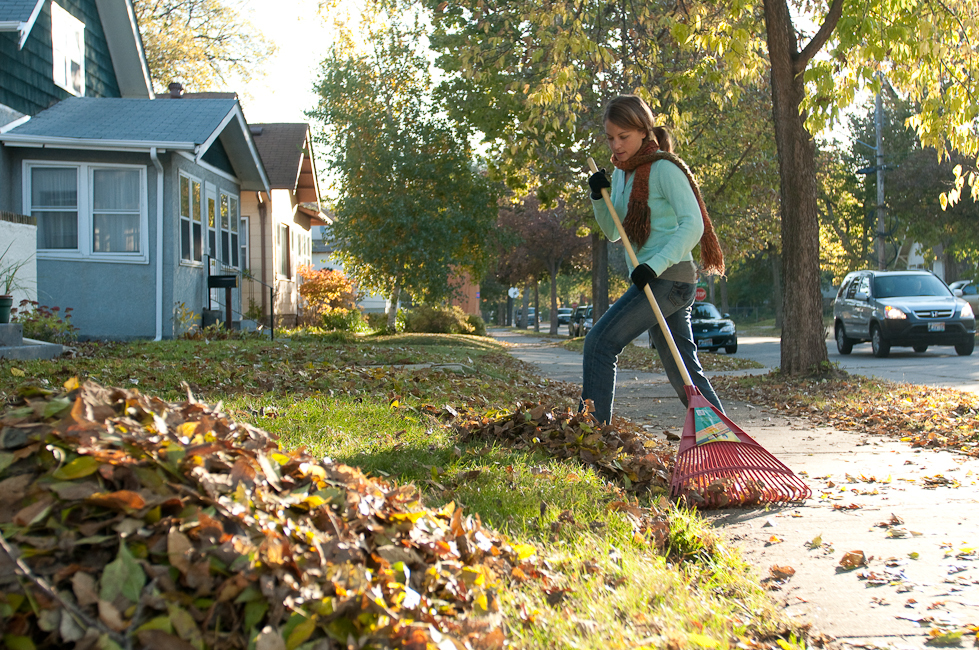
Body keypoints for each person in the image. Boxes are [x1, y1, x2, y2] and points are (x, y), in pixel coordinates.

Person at [582, 94, 725, 424]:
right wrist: (598, 197)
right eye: (610, 138)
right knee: (684, 372)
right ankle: (722, 439)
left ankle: (591, 435)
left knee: (600, 343)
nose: (616, 145)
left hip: (669, 278)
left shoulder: (664, 168)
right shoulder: (622, 173)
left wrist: (654, 265)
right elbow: (614, 231)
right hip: (654, 280)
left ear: (644, 131)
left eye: (623, 137)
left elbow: (694, 223)